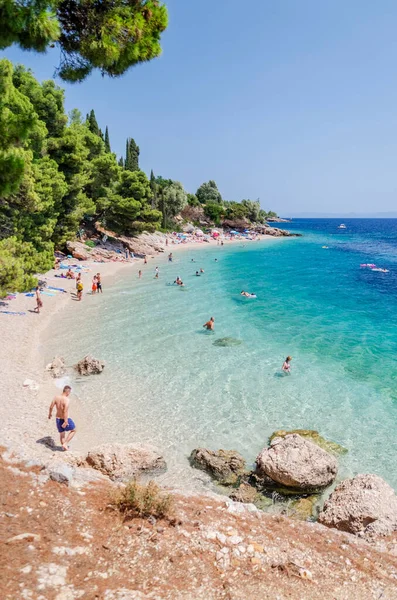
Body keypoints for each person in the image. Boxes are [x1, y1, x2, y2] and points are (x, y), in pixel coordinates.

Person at [48, 385, 76, 451]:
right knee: (74, 430)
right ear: (68, 392)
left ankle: (64, 449)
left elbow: (51, 407)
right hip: (65, 419)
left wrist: (50, 414)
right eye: (69, 392)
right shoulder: (67, 400)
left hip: (57, 418)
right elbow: (65, 411)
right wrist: (66, 421)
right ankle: (65, 444)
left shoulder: (56, 397)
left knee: (62, 434)